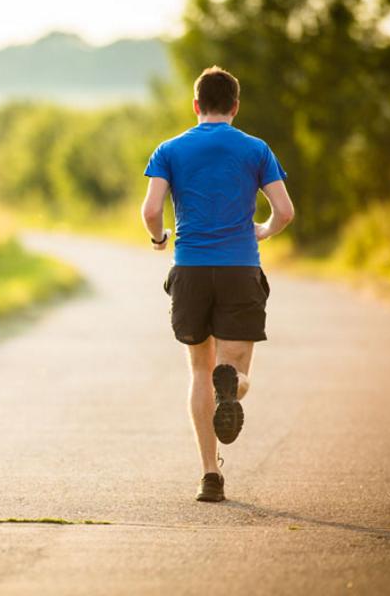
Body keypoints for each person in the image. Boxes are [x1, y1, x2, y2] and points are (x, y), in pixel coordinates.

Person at [140, 66, 295, 503]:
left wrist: (159, 239)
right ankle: (234, 388)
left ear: (195, 106)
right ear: (235, 106)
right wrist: (263, 230)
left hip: (190, 269)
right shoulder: (256, 149)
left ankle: (210, 476)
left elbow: (152, 210)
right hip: (239, 268)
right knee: (236, 371)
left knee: (198, 371)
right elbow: (284, 211)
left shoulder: (169, 149)